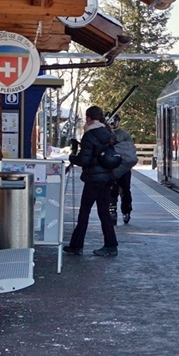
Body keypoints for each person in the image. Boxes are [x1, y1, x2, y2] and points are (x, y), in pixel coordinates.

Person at [64, 105, 119, 257]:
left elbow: (84, 160)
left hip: (93, 180)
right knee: (104, 213)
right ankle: (111, 245)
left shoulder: (89, 135)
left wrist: (72, 156)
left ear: (88, 118)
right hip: (107, 178)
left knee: (84, 212)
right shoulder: (108, 132)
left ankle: (76, 246)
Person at [108, 114, 134, 225]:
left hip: (124, 169)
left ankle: (126, 211)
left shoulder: (125, 135)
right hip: (110, 169)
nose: (113, 124)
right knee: (111, 192)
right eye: (110, 122)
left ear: (119, 122)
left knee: (125, 191)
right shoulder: (105, 134)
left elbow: (131, 153)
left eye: (115, 121)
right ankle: (112, 212)